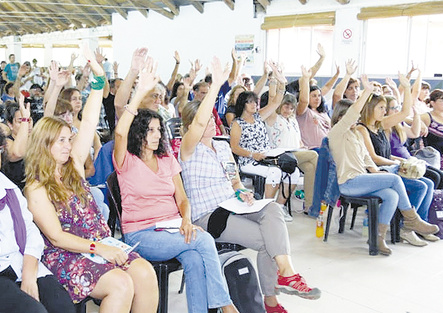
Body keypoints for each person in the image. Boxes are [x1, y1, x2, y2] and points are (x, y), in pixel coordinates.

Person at [180, 57, 320, 313]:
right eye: (205, 121)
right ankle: (271, 301)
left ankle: (287, 273)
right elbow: (199, 122)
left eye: (212, 119)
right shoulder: (187, 151)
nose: (211, 122)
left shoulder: (221, 146)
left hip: (233, 205)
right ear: (190, 127)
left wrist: (241, 190)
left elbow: (233, 177)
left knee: (273, 211)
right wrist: (217, 84)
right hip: (209, 215)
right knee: (269, 240)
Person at [24, 47, 159, 312]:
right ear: (44, 145)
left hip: (99, 244)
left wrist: (98, 81)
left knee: (145, 273)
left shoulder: (71, 165)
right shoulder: (36, 187)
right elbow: (57, 237)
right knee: (120, 283)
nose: (68, 145)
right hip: (66, 254)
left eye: (68, 139)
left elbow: (88, 123)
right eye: (61, 141)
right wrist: (99, 249)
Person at [113, 56, 238, 313]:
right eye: (151, 130)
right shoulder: (126, 160)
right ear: (139, 133)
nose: (158, 135)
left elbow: (182, 198)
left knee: (193, 258)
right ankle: (226, 305)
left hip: (171, 228)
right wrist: (140, 92)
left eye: (160, 129)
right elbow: (119, 132)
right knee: (203, 242)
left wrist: (186, 219)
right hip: (141, 234)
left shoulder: (167, 158)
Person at [328, 75, 439, 256]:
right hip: (349, 182)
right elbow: (354, 112)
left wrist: (378, 172)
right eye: (350, 117)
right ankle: (411, 219)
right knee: (394, 179)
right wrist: (367, 92)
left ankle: (377, 239)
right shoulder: (336, 133)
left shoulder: (356, 134)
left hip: (362, 179)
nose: (354, 120)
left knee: (391, 194)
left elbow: (368, 161)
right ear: (341, 117)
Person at [356, 74, 437, 245]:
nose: (384, 112)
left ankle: (415, 227)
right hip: (376, 173)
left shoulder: (380, 125)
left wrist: (407, 88)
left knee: (428, 183)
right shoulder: (361, 128)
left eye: (385, 108)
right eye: (381, 108)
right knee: (420, 186)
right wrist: (396, 162)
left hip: (389, 169)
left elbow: (405, 112)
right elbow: (373, 158)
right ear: (370, 109)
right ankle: (406, 228)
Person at [0, 129, 75, 313]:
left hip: (20, 263)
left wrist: (28, 274)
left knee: (62, 306)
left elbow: (30, 232)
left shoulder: (9, 189)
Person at [230, 65, 301, 219]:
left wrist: (281, 83)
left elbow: (275, 103)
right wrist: (252, 154)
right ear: (243, 104)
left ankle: (279, 207)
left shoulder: (258, 117)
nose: (255, 105)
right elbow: (234, 148)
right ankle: (267, 208)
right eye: (251, 103)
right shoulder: (237, 124)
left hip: (267, 156)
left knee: (293, 172)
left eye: (256, 102)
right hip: (249, 160)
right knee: (275, 172)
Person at [264, 66, 319, 214]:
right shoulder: (273, 118)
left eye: (290, 108)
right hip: (280, 155)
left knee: (309, 167)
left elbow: (304, 101)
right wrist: (276, 81)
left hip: (296, 153)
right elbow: (272, 99)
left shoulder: (293, 119)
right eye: (285, 107)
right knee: (315, 155)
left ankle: (309, 205)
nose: (287, 110)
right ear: (280, 106)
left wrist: (306, 79)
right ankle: (320, 199)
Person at [296, 65, 331, 149]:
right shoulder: (304, 111)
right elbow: (304, 101)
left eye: (319, 96)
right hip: (313, 149)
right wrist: (305, 79)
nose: (317, 98)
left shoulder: (323, 112)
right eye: (314, 96)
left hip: (328, 147)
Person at [3, 96, 33, 190]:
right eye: (21, 121)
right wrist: (25, 119)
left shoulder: (35, 140)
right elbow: (17, 153)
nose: (27, 124)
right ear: (10, 125)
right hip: (15, 195)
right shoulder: (7, 142)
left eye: (29, 120)